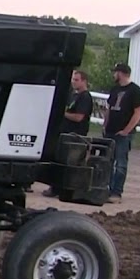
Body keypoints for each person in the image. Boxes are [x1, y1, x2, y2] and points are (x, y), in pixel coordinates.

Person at [43, 69, 94, 198]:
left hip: (76, 134)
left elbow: (79, 117)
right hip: (65, 132)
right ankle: (55, 187)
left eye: (77, 80)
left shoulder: (85, 97)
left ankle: (64, 189)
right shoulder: (73, 95)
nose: (74, 83)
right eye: (73, 80)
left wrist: (63, 114)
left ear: (84, 81)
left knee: (70, 162)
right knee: (59, 159)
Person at [102, 63, 140, 204]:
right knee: (107, 162)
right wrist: (105, 124)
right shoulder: (114, 89)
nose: (114, 75)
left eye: (115, 72)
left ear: (121, 73)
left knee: (120, 163)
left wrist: (127, 130)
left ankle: (116, 192)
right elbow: (109, 108)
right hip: (110, 130)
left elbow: (138, 112)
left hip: (123, 133)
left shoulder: (135, 90)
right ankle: (105, 189)